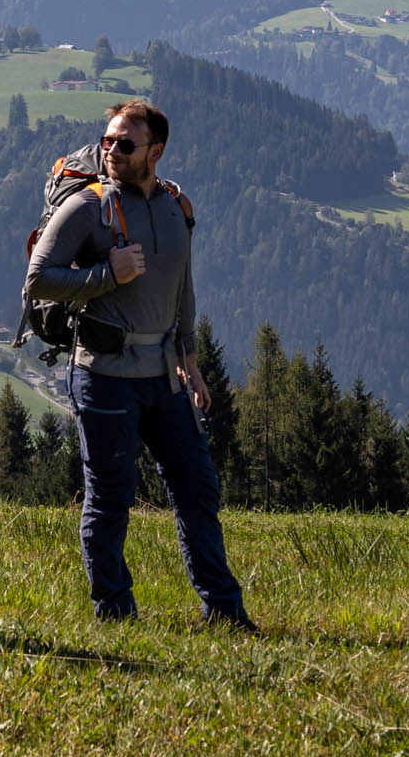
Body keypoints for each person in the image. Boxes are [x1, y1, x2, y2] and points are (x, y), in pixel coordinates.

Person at [23, 99, 255, 630]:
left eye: (125, 144)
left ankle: (223, 611)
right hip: (102, 374)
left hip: (163, 375)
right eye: (107, 141)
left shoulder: (176, 207)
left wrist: (190, 361)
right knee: (109, 497)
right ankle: (115, 613)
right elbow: (38, 279)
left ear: (156, 150)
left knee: (197, 488)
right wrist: (108, 273)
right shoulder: (85, 206)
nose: (112, 151)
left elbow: (183, 288)